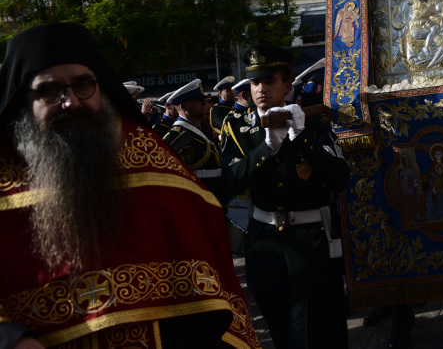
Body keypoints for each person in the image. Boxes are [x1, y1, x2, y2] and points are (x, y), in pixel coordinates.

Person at [0, 23, 259, 349]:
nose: (70, 102)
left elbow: (209, 276)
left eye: (83, 85)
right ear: (22, 100)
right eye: (50, 91)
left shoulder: (153, 161)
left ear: (101, 89)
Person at [221, 44, 350, 348]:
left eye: (269, 81)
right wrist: (265, 149)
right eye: (255, 83)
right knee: (281, 336)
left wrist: (301, 137)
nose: (261, 89)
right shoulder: (238, 126)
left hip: (310, 247)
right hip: (264, 245)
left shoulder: (314, 121)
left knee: (310, 336)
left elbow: (338, 179)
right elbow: (229, 184)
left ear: (286, 85)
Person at [163, 79, 224, 201]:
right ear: (183, 106)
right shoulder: (179, 136)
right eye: (198, 100)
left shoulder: (197, 129)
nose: (204, 103)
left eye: (204, 100)